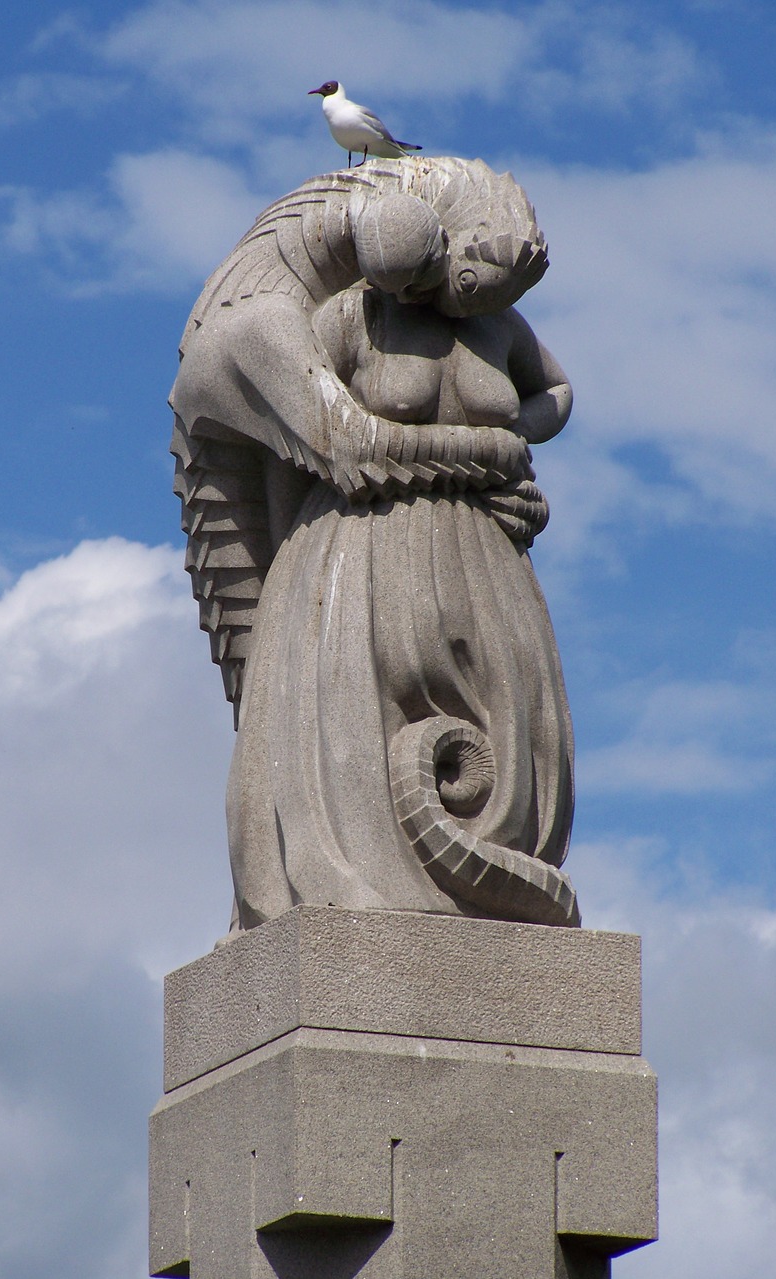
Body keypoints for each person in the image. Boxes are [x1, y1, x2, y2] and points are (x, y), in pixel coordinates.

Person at [171, 159, 578, 930]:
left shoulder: (500, 330)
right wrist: (494, 458)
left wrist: (516, 441)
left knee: (515, 753)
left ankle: (500, 882)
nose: (454, 302)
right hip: (359, 555)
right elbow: (333, 453)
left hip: (481, 556)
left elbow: (552, 393)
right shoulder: (350, 319)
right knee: (354, 769)